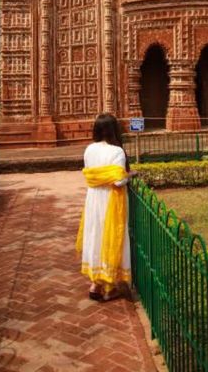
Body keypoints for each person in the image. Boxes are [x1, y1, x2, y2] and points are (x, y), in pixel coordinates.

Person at [76, 113, 136, 301]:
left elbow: (91, 175)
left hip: (93, 199)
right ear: (114, 130)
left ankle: (96, 284)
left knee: (95, 237)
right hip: (111, 200)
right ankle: (110, 288)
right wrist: (130, 175)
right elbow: (118, 181)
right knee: (111, 237)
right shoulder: (116, 152)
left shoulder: (89, 149)